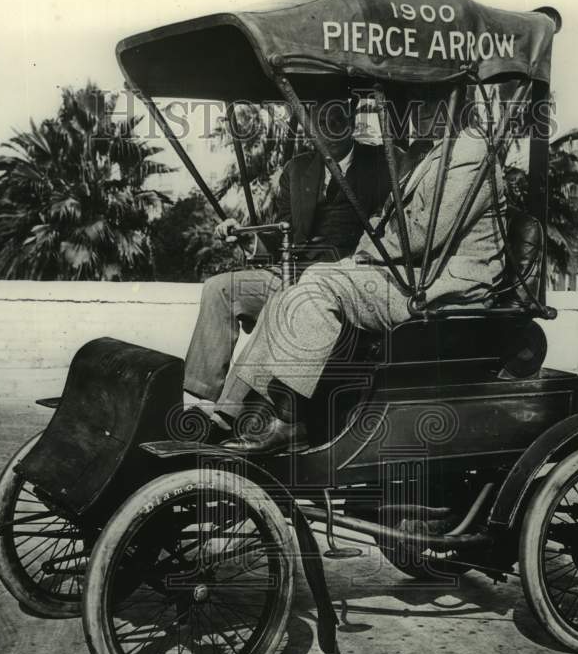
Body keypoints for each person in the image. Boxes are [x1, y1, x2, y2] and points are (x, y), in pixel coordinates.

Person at [218, 92, 507, 452]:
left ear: (456, 106)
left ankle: (289, 420)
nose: (415, 113)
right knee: (300, 286)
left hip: (443, 289)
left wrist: (368, 252)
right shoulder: (429, 154)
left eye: (428, 103)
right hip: (411, 275)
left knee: (317, 287)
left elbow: (425, 232)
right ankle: (252, 410)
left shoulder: (471, 151)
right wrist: (370, 249)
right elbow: (384, 216)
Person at [181, 100, 398, 431]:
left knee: (284, 303)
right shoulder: (298, 170)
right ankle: (202, 402)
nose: (328, 127)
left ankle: (227, 415)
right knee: (219, 289)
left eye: (337, 118)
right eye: (319, 120)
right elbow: (283, 236)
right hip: (288, 272)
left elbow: (391, 231)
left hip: (339, 282)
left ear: (352, 121)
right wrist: (242, 236)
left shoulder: (380, 166)